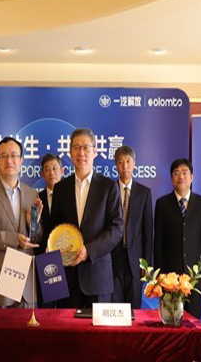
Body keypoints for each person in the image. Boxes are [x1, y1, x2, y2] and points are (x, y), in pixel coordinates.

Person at [49, 128, 123, 308]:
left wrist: (89, 250)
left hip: (98, 275)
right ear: (70, 152)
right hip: (67, 277)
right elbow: (55, 227)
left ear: (95, 151)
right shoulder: (60, 188)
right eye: (76, 147)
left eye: (86, 147)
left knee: (98, 328)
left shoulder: (108, 187)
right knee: (66, 327)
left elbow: (117, 228)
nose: (81, 153)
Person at [0, 137, 42, 307]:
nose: (9, 160)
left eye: (13, 155)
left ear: (21, 160)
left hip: (26, 280)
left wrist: (32, 225)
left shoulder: (32, 193)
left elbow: (36, 237)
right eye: (3, 156)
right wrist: (14, 239)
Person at [154, 158, 201, 318]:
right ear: (171, 178)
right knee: (171, 321)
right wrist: (158, 276)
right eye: (176, 173)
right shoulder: (162, 204)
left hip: (195, 278)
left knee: (194, 323)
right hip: (169, 278)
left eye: (185, 173)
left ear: (192, 177)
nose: (181, 177)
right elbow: (158, 242)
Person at [111, 146, 153, 309]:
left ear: (134, 164)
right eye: (121, 162)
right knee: (114, 308)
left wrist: (146, 264)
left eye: (128, 161)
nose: (125, 166)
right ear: (116, 165)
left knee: (134, 310)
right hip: (113, 259)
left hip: (135, 261)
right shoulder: (109, 190)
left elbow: (147, 232)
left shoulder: (144, 193)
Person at [38, 153, 64, 251]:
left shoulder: (71, 196)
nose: (51, 173)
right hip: (43, 251)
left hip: (66, 251)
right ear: (42, 174)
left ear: (62, 171)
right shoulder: (37, 198)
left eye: (55, 168)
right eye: (47, 169)